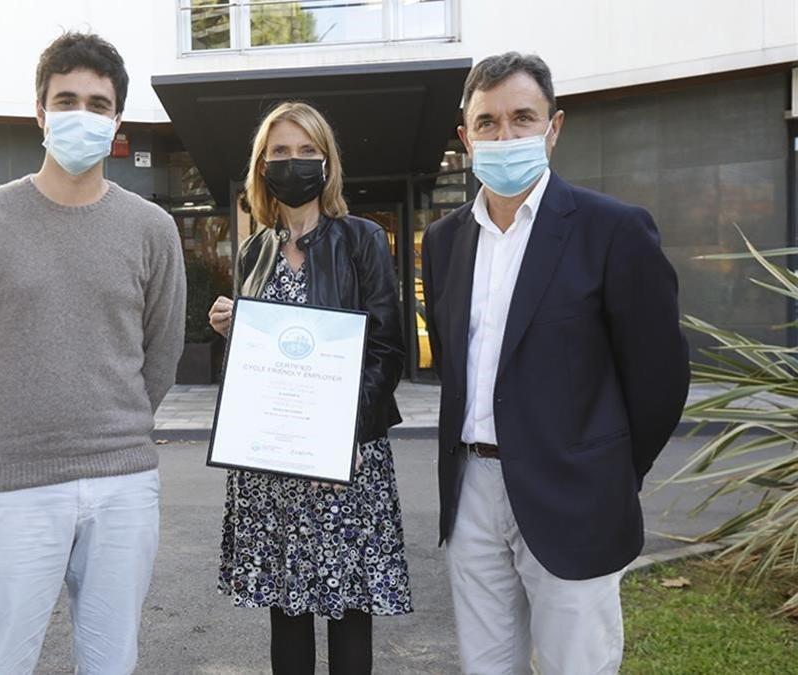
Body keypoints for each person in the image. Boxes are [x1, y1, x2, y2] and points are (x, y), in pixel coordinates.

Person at [420, 52, 690, 674]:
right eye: (487, 123)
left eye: (523, 118)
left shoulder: (613, 230)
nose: (505, 135)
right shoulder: (444, 241)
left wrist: (610, 474)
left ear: (554, 127)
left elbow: (659, 378)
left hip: (576, 496)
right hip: (472, 491)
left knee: (578, 666)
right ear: (465, 138)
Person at [0, 32, 186, 674]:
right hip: (14, 487)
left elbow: (162, 352)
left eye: (98, 104)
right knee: (1, 664)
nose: (82, 114)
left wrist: (115, 424)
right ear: (39, 113)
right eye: (65, 100)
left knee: (110, 663)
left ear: (117, 120)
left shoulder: (151, 228)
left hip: (123, 482)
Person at [209, 101, 411, 675]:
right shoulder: (255, 251)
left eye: (305, 152)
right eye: (279, 153)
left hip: (345, 457)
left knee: (349, 609)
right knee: (286, 610)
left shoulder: (362, 240)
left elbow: (387, 352)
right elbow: (262, 362)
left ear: (327, 163)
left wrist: (338, 437)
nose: (292, 163)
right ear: (261, 165)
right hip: (272, 465)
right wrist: (234, 328)